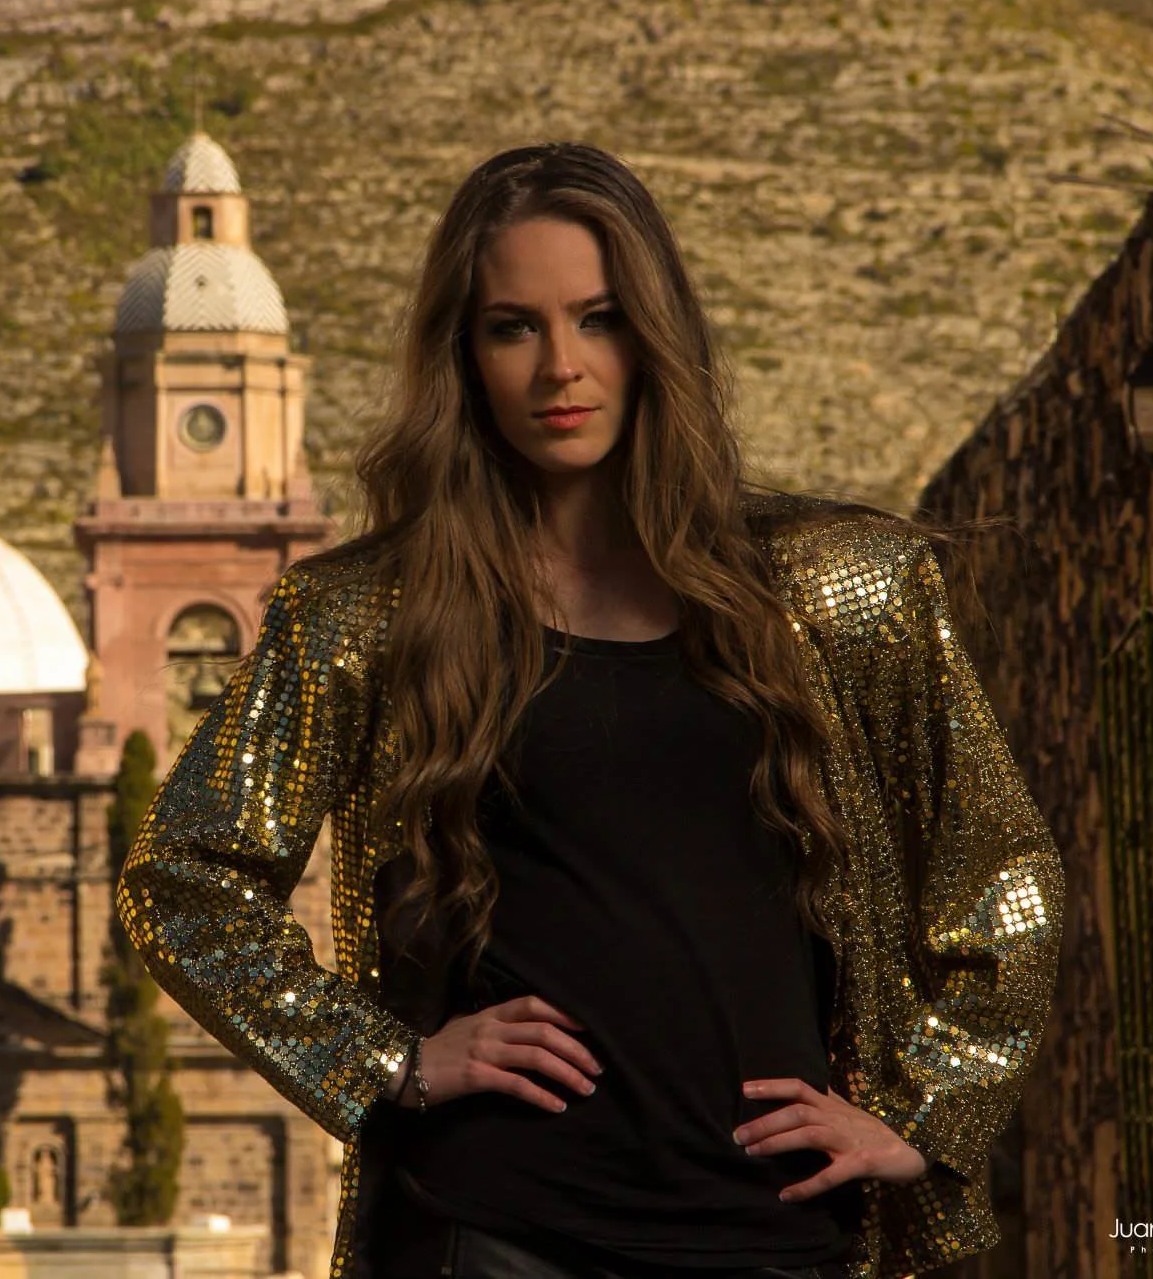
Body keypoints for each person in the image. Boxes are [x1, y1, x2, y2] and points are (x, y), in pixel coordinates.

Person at [114, 141, 1065, 1279]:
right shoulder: (366, 615)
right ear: (462, 356)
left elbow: (997, 875)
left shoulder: (840, 588)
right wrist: (389, 1061)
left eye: (598, 318)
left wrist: (923, 1115)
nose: (559, 366)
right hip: (496, 1234)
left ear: (654, 334)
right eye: (512, 326)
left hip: (775, 1234)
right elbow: (182, 879)